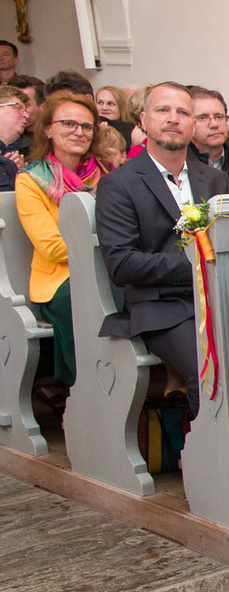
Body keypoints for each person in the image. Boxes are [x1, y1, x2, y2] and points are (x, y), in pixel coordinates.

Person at [95, 81, 229, 419]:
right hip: (161, 307)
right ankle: (209, 450)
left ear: (193, 124)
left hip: (220, 300)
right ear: (143, 120)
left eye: (183, 112)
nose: (173, 118)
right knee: (209, 370)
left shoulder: (214, 179)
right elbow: (121, 263)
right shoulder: (119, 184)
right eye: (163, 110)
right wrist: (195, 268)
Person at [14, 92, 108, 396]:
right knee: (85, 296)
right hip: (59, 280)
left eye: (87, 126)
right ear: (47, 129)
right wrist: (110, 248)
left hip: (109, 269)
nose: (79, 132)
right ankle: (84, 389)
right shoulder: (30, 180)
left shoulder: (106, 175)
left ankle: (133, 378)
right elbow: (52, 248)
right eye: (69, 124)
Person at [0, 84, 29, 191]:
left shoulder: (32, 151)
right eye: (18, 108)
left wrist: (18, 175)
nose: (26, 116)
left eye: (26, 111)